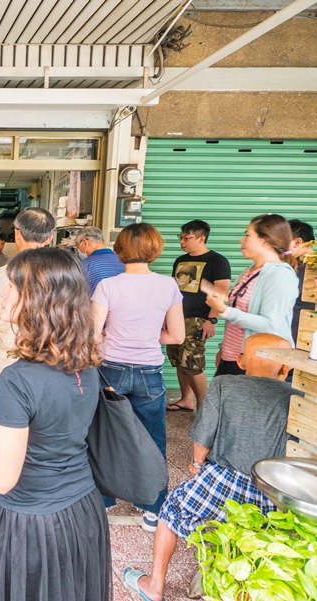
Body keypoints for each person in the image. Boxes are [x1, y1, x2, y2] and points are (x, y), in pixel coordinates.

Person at [0, 248, 110, 601]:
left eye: (13, 287)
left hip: (31, 521)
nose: (4, 294)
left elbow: (2, 478)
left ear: (37, 301)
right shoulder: (85, 363)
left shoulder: (17, 379)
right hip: (82, 509)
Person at [122, 334, 294, 601]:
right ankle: (220, 576)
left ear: (239, 360)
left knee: (172, 508)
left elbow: (202, 437)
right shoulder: (297, 398)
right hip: (272, 489)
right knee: (251, 533)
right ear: (286, 368)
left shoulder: (225, 385)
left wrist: (197, 464)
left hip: (224, 476)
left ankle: (155, 586)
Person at [92, 223, 185, 532]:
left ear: (120, 250)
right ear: (154, 249)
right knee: (153, 438)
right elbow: (176, 335)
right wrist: (146, 335)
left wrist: (112, 338)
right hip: (149, 371)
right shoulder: (169, 285)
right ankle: (153, 509)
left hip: (111, 369)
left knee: (106, 435)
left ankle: (103, 502)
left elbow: (93, 335)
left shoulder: (107, 285)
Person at [0, 208, 55, 530]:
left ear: (17, 234)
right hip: (50, 380)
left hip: (0, 377)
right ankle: (35, 517)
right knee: (39, 451)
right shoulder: (63, 277)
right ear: (51, 237)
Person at [207, 214, 299, 376]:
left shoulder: (280, 276)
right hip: (234, 358)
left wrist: (225, 311)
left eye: (247, 235)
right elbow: (242, 316)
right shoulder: (250, 271)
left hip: (259, 363)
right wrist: (224, 349)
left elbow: (271, 324)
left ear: (265, 240)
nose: (241, 240)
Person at [166, 220, 232, 412]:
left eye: (187, 238)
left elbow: (221, 293)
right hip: (176, 317)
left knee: (193, 363)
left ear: (201, 238)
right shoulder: (180, 260)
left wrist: (212, 320)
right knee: (179, 360)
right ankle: (186, 399)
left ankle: (203, 407)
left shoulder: (217, 261)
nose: (182, 242)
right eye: (181, 237)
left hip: (198, 319)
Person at [288, 219, 315, 344]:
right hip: (291, 342)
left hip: (305, 344)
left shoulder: (312, 267)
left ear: (298, 242)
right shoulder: (292, 267)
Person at [76, 226, 124, 294]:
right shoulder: (123, 261)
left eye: (78, 246)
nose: (78, 250)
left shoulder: (84, 265)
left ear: (85, 242)